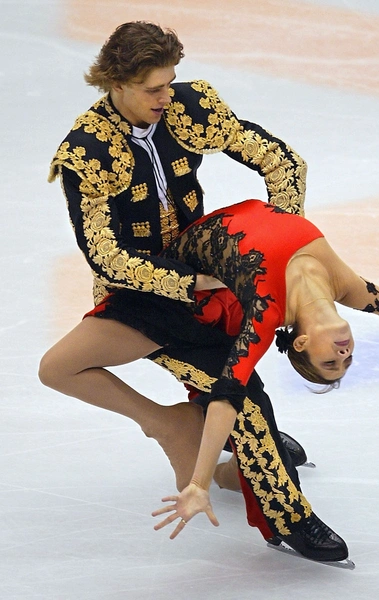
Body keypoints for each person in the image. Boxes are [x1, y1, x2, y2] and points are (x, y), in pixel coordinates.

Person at [39, 22, 349, 563]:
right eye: (154, 88)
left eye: (170, 83)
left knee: (240, 391)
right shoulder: (87, 152)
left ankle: (235, 455)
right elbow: (105, 255)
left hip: (205, 271)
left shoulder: (188, 107)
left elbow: (283, 162)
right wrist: (191, 283)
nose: (167, 96)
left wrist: (275, 242)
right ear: (116, 82)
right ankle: (279, 510)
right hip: (139, 296)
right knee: (244, 403)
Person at [90, 198, 379, 544]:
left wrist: (199, 483)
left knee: (236, 392)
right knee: (239, 391)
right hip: (179, 291)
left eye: (330, 361)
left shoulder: (266, 310)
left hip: (186, 300)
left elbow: (228, 396)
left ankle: (239, 473)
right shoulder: (347, 287)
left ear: (300, 343)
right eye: (345, 360)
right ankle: (259, 484)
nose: (343, 354)